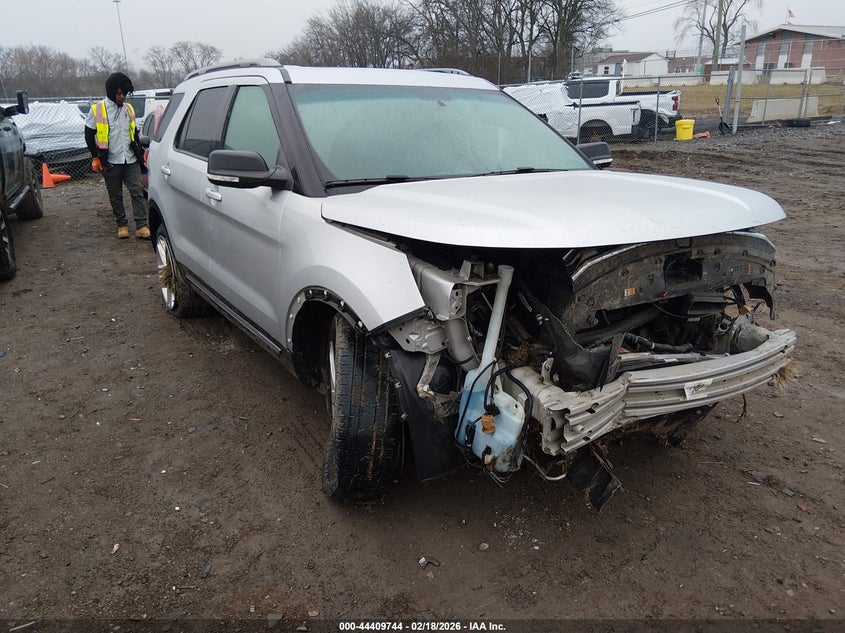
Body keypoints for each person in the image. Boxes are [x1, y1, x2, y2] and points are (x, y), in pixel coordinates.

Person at [84, 72, 150, 240]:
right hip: (111, 161)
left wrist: (138, 150)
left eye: (125, 94)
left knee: (137, 191)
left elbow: (133, 131)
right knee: (115, 195)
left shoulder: (128, 108)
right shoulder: (97, 110)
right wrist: (95, 157)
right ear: (111, 91)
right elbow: (89, 134)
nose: (122, 97)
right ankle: (122, 225)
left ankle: (141, 226)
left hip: (130, 159)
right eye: (119, 93)